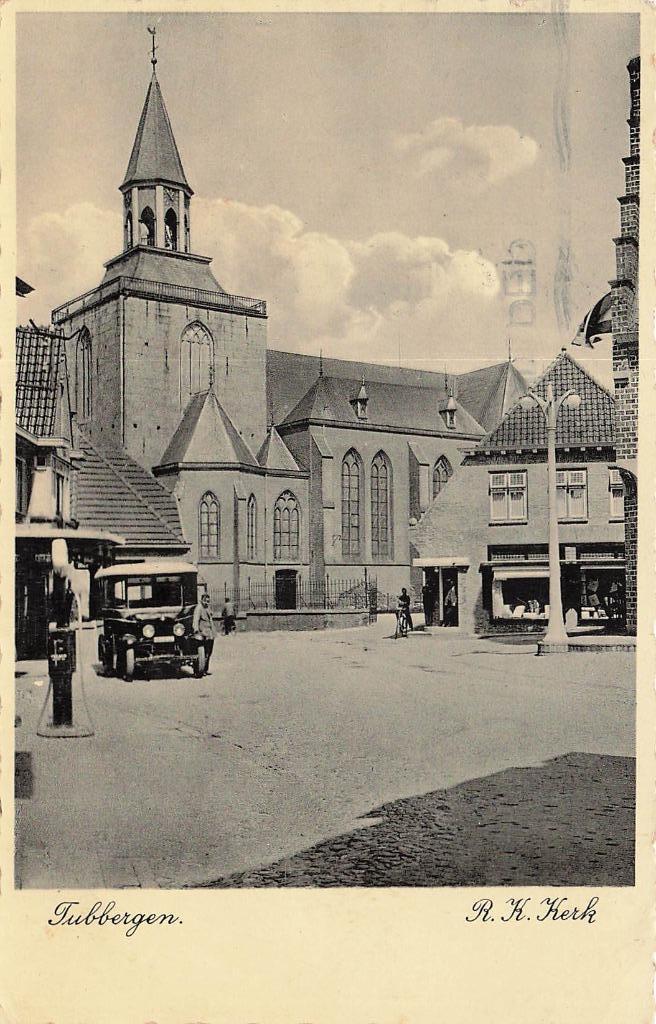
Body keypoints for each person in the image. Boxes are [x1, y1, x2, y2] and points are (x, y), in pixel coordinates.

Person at [192, 591, 215, 675]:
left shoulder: (207, 607)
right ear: (202, 600)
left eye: (208, 601)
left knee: (209, 652)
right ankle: (202, 669)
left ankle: (205, 669)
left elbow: (210, 617)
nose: (207, 602)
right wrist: (196, 629)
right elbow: (196, 619)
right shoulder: (199, 608)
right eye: (205, 600)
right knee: (204, 652)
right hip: (203, 632)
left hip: (210, 633)